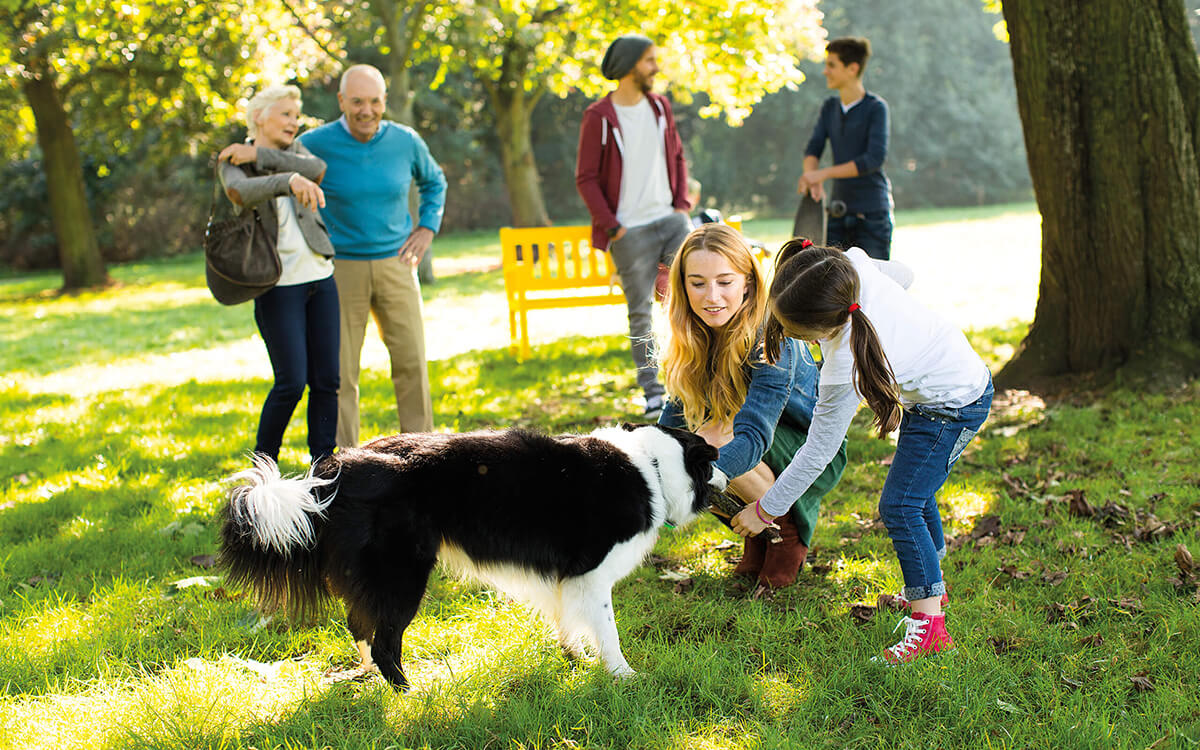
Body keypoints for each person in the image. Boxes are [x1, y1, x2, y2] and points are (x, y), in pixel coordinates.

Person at [731, 239, 993, 663]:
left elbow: (818, 451)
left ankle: (929, 630)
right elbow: (904, 274)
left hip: (957, 403)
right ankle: (930, 586)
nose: (803, 345)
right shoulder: (850, 267)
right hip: (940, 391)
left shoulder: (845, 361)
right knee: (913, 494)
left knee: (901, 506)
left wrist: (765, 510)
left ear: (828, 327)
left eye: (802, 337)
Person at [658, 224, 847, 588]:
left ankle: (785, 532)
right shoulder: (693, 336)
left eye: (724, 281)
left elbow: (755, 433)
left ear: (747, 281)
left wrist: (690, 481)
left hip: (809, 451)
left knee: (707, 443)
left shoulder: (772, 337)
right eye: (697, 283)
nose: (711, 296)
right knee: (681, 445)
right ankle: (757, 536)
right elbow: (671, 424)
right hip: (750, 445)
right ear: (683, 286)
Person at [300, 64, 447, 446]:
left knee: (412, 362)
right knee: (340, 371)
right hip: (339, 268)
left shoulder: (406, 140)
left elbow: (435, 182)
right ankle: (343, 462)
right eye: (357, 102)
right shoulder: (315, 143)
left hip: (396, 263)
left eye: (375, 101)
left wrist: (427, 227)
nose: (367, 110)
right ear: (341, 102)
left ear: (385, 101)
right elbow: (277, 166)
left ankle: (422, 454)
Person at [217, 84, 339, 465]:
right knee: (291, 382)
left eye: (295, 114)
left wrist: (263, 154)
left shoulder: (294, 151)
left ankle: (325, 469)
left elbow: (316, 170)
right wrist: (285, 180)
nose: (294, 121)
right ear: (260, 117)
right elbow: (241, 192)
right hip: (277, 286)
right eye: (285, 114)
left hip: (320, 278)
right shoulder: (232, 160)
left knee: (327, 382)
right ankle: (262, 469)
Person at [576, 34, 692, 420]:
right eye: (648, 61)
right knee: (640, 313)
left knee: (695, 296)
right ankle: (653, 392)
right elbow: (586, 178)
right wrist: (613, 227)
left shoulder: (660, 107)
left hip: (671, 220)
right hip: (630, 232)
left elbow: (676, 155)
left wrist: (681, 206)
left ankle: (697, 380)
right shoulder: (599, 117)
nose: (656, 68)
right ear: (628, 66)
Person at [796, 37, 894, 260]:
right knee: (834, 289)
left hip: (872, 215)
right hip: (837, 212)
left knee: (872, 289)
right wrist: (811, 176)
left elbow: (873, 159)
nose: (825, 71)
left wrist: (823, 174)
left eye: (832, 65)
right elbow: (814, 147)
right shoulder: (829, 107)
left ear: (852, 69)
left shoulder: (876, 108)